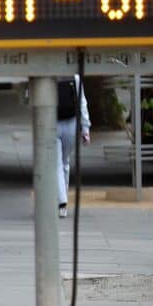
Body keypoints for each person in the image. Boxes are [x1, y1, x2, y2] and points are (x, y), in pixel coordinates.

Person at [57, 75, 91, 218]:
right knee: (63, 163)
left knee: (59, 164)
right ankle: (62, 202)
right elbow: (82, 102)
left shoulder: (47, 76)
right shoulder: (74, 77)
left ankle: (61, 200)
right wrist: (85, 128)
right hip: (71, 123)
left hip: (52, 122)